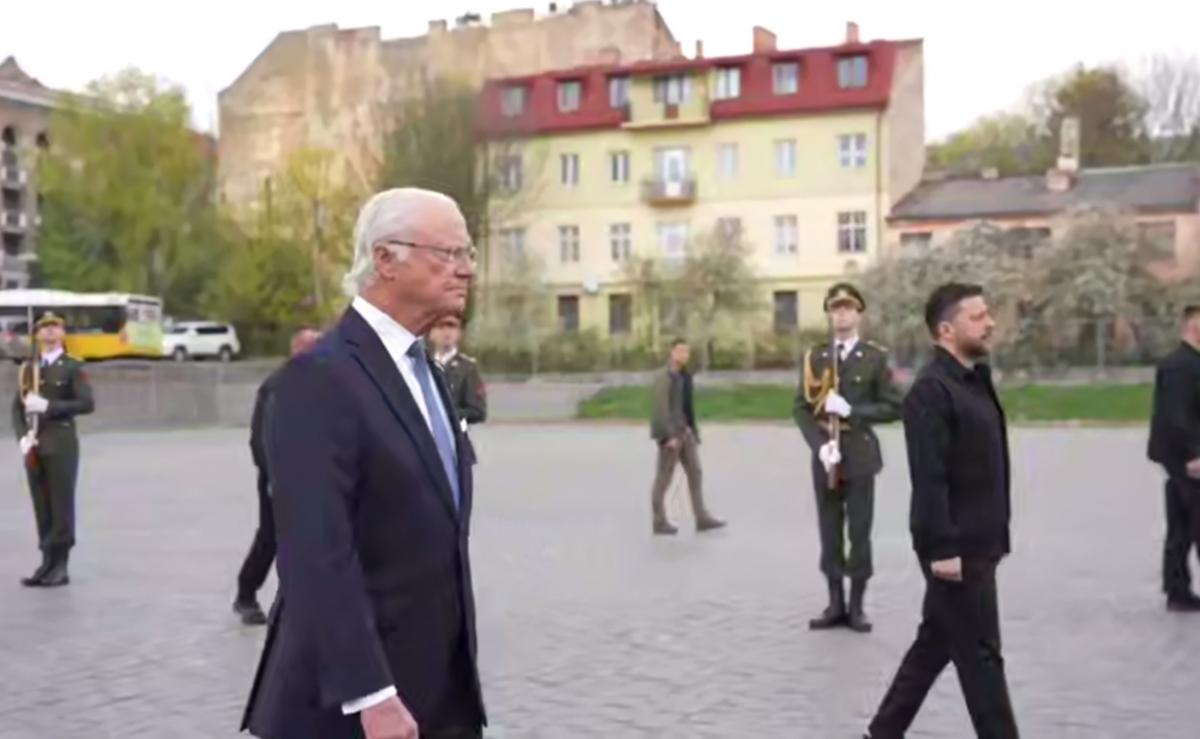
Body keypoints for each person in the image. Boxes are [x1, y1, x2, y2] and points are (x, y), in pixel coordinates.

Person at [241, 188, 486, 739]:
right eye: (449, 253)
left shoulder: (425, 370)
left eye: (468, 254)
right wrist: (371, 695)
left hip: (439, 695)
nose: (466, 269)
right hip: (352, 712)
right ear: (385, 259)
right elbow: (316, 553)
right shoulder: (319, 379)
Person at [865, 283, 1019, 739]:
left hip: (982, 539)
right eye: (978, 316)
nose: (990, 323)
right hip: (957, 547)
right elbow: (929, 477)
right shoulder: (931, 391)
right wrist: (942, 549)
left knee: (934, 644)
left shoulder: (974, 381)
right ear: (947, 330)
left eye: (988, 314)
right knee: (981, 657)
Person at [795, 282, 902, 633]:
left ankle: (856, 606)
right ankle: (834, 603)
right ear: (829, 314)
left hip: (859, 455)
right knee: (829, 530)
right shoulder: (815, 357)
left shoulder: (874, 357)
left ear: (858, 314)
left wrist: (852, 411)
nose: (841, 314)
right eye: (835, 309)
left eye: (847, 308)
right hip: (826, 456)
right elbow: (801, 408)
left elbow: (894, 406)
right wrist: (819, 445)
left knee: (859, 530)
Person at [232, 327, 322, 625]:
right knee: (270, 537)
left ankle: (301, 602)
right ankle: (246, 594)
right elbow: (263, 438)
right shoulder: (278, 386)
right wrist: (275, 476)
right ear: (296, 350)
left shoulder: (321, 384)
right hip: (279, 477)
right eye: (309, 347)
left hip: (313, 476)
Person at [11, 311, 95, 588]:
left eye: (54, 326)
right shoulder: (29, 369)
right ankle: (46, 561)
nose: (49, 331)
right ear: (37, 334)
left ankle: (61, 564)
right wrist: (22, 437)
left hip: (61, 443)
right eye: (44, 327)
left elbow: (86, 404)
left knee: (61, 504)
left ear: (62, 333)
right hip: (35, 444)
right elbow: (16, 408)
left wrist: (49, 406)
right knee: (42, 504)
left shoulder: (72, 366)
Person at [1147, 304, 1200, 612]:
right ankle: (1177, 589)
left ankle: (1177, 589)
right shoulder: (1181, 366)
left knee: (1181, 524)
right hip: (1187, 458)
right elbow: (1176, 415)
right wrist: (1193, 454)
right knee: (1192, 521)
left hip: (1181, 456)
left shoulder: (1190, 363)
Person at [648, 338, 726, 535]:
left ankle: (702, 518)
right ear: (672, 352)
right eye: (681, 351)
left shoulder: (685, 376)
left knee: (695, 473)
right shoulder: (664, 377)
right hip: (671, 435)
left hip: (685, 433)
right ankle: (659, 521)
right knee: (664, 478)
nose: (684, 355)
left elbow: (687, 406)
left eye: (687, 352)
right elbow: (660, 409)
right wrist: (667, 436)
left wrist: (693, 431)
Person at [428, 314, 487, 428]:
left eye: (452, 327)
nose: (447, 333)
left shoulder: (467, 368)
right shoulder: (423, 364)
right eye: (440, 327)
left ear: (459, 333)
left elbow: (478, 412)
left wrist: (447, 415)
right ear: (431, 333)